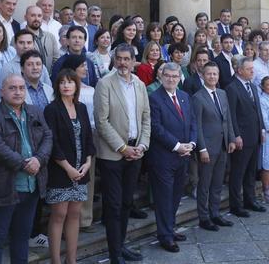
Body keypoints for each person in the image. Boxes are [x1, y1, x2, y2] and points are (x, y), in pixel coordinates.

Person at [0, 74, 52, 264]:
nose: (18, 92)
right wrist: (25, 164)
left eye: (21, 88)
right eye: (12, 88)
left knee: (22, 237)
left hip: (31, 186)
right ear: (2, 92)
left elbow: (48, 137)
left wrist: (39, 159)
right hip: (5, 188)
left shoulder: (35, 111)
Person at [94, 43, 150, 263]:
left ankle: (122, 245)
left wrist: (142, 146)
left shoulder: (139, 84)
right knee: (114, 204)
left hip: (136, 152)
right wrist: (123, 147)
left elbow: (146, 117)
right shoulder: (104, 83)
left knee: (127, 202)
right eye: (120, 59)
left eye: (127, 59)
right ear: (115, 60)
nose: (123, 63)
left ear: (133, 60)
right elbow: (101, 121)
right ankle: (114, 253)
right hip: (113, 155)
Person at [44, 69, 96, 264]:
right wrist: (68, 168)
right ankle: (56, 260)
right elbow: (53, 142)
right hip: (61, 169)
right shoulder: (52, 109)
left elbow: (89, 138)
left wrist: (89, 162)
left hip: (81, 169)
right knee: (59, 214)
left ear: (77, 85)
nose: (66, 85)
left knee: (74, 214)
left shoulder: (81, 107)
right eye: (62, 82)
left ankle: (71, 260)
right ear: (57, 86)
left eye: (70, 82)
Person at [147, 62, 196, 253]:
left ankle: (170, 228)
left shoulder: (184, 96)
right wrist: (177, 146)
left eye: (175, 76)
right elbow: (156, 128)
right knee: (164, 198)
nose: (171, 79)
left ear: (179, 78)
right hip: (163, 157)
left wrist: (191, 144)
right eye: (167, 75)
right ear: (161, 76)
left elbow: (192, 122)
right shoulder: (154, 98)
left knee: (176, 197)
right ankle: (165, 236)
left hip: (183, 155)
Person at [191, 62, 236, 231]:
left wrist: (231, 139)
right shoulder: (198, 97)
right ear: (202, 75)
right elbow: (198, 126)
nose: (212, 77)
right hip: (207, 149)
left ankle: (215, 213)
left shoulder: (222, 94)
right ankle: (204, 217)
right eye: (209, 74)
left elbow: (228, 119)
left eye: (215, 74)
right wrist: (201, 149)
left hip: (223, 146)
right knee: (205, 184)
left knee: (217, 183)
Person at [57, 55, 98, 233]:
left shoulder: (90, 89)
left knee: (87, 178)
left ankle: (85, 219)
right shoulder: (60, 95)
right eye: (82, 66)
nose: (86, 69)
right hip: (67, 138)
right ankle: (67, 223)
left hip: (89, 135)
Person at [224, 56, 266, 217]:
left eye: (252, 69)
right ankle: (236, 205)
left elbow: (258, 111)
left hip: (255, 135)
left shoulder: (253, 87)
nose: (252, 72)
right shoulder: (232, 88)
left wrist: (262, 130)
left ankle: (250, 200)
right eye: (249, 69)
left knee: (250, 172)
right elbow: (232, 114)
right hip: (242, 137)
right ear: (239, 70)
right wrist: (236, 136)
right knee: (238, 172)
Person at [23, 5, 61, 74]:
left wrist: (49, 75)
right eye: (33, 15)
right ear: (25, 17)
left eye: (39, 16)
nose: (36, 19)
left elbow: (56, 59)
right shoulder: (20, 38)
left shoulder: (50, 37)